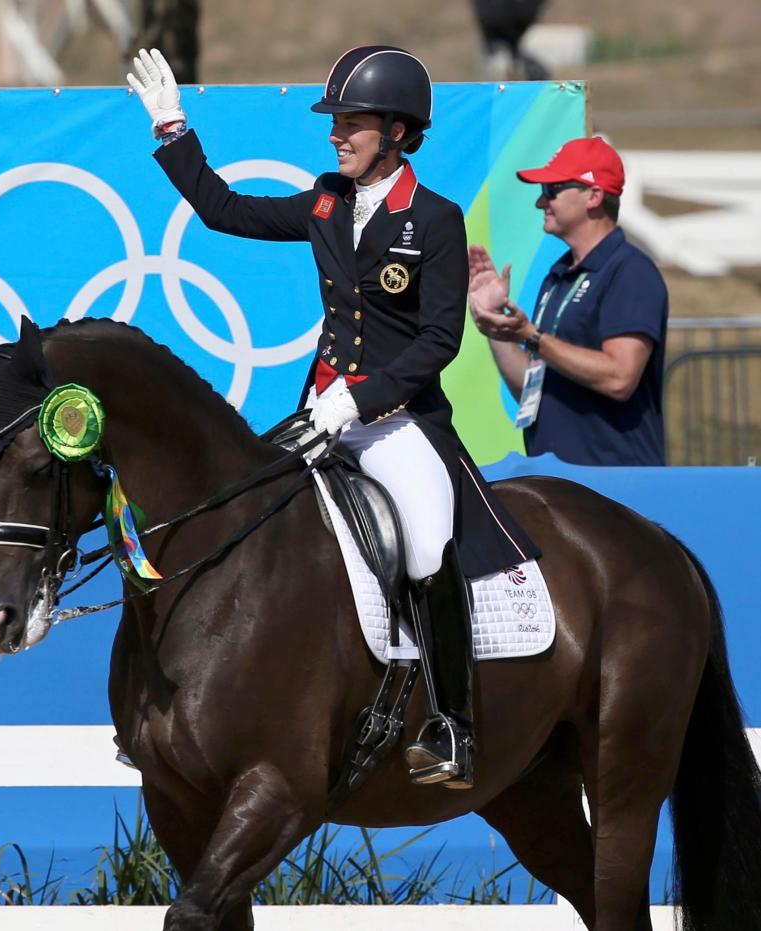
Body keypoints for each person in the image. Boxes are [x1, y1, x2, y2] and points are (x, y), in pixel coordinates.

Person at [127, 46, 539, 789]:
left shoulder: (434, 219)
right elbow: (223, 210)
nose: (335, 135)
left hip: (397, 421)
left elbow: (439, 340)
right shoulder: (325, 202)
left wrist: (364, 395)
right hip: (321, 415)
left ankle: (452, 725)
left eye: (350, 122)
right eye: (335, 121)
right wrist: (171, 130)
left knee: (422, 544)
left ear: (398, 132)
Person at [467, 136, 670, 465]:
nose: (540, 203)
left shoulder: (631, 271)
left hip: (614, 484)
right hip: (559, 485)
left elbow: (619, 377)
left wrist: (531, 336)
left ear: (594, 196)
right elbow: (531, 392)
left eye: (552, 190)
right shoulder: (558, 275)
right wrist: (496, 326)